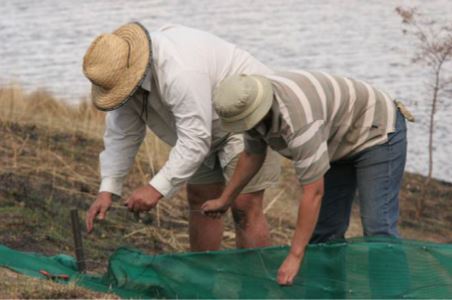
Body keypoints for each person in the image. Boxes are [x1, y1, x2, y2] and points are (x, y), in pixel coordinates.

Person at [202, 71, 414, 285]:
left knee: (378, 228)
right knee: (325, 233)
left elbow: (313, 192)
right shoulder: (251, 111)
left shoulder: (298, 120)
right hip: (335, 139)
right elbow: (251, 155)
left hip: (375, 132)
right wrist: (226, 199)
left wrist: (295, 256)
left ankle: (394, 294)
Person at [82, 23, 280, 251]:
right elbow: (122, 134)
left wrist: (155, 188)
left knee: (244, 205)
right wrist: (108, 189)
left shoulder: (180, 69)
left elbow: (195, 139)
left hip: (246, 111)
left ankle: (255, 286)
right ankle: (203, 280)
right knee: (200, 199)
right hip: (204, 126)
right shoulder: (121, 81)